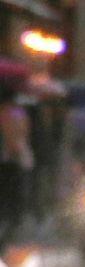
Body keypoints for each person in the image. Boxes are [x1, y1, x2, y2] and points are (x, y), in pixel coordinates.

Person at [0, 84, 32, 247]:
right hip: (17, 160)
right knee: (16, 197)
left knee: (8, 197)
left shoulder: (5, 113)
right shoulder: (17, 113)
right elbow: (22, 132)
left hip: (9, 160)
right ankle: (11, 228)